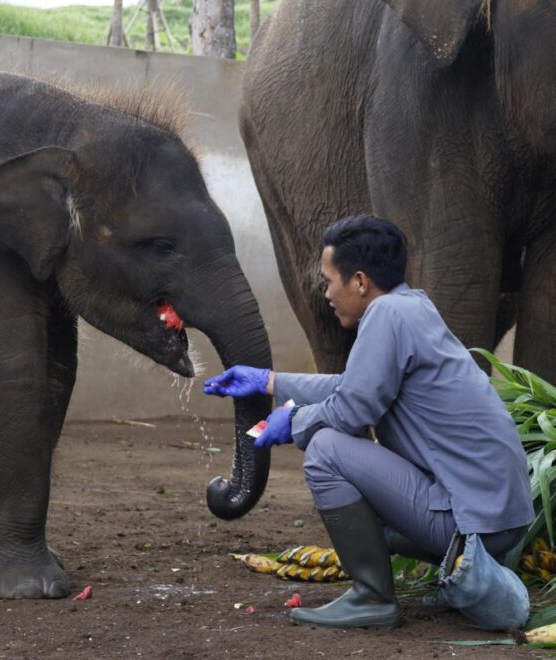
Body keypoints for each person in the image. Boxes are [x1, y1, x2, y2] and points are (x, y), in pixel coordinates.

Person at [204, 215, 532, 629]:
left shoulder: (386, 316)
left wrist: (293, 421)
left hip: (475, 522)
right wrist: (269, 381)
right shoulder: (412, 306)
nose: (326, 293)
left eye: (329, 280)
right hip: (499, 516)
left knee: (325, 451)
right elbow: (353, 386)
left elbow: (350, 411)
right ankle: (457, 578)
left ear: (359, 281)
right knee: (352, 482)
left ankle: (373, 598)